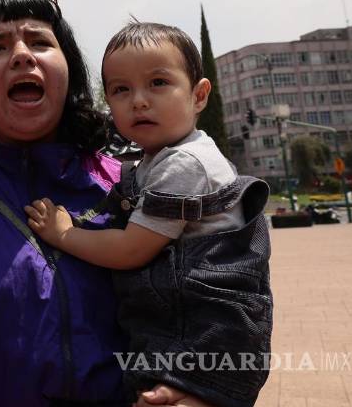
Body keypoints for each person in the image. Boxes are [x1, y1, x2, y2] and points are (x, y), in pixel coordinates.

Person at [0, 0, 210, 407]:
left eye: (39, 42)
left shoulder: (131, 184)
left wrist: (201, 391)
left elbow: (218, 298)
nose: (22, 55)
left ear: (71, 76)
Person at [25, 22, 272, 407]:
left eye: (158, 82)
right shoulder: (154, 161)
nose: (138, 100)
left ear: (200, 95)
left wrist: (64, 235)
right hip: (185, 338)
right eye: (121, 90)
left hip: (203, 340)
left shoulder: (186, 163)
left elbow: (131, 250)